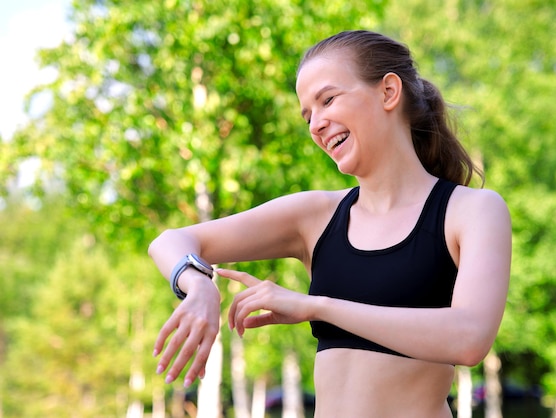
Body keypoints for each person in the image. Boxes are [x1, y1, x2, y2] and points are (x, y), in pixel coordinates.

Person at [149, 30, 511, 417]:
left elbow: (470, 339)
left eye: (328, 100)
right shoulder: (315, 217)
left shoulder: (471, 210)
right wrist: (199, 285)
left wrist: (316, 306)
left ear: (389, 92)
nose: (316, 124)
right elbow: (171, 241)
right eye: (308, 114)